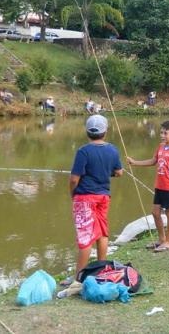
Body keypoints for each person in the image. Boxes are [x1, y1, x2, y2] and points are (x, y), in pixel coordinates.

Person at [66, 115, 123, 284]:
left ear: (87, 132)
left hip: (84, 198)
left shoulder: (83, 151)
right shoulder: (113, 150)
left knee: (85, 238)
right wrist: (107, 172)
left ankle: (79, 277)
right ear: (105, 131)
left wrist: (73, 194)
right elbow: (119, 172)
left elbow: (74, 179)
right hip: (104, 197)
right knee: (102, 233)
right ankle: (101, 269)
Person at [127, 120, 169, 252]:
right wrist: (134, 162)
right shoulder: (161, 147)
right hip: (159, 186)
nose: (162, 135)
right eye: (161, 132)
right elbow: (153, 161)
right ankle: (161, 240)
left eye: (165, 133)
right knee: (155, 213)